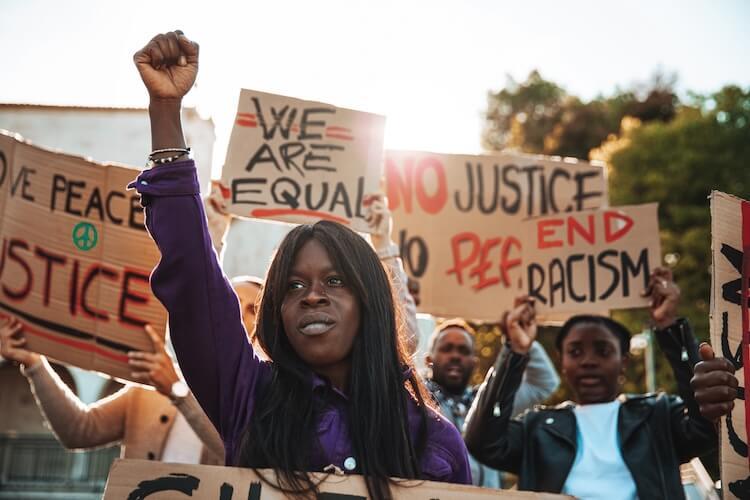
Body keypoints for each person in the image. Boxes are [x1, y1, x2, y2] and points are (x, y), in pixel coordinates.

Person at [130, 30, 470, 498]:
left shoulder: (436, 442)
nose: (312, 295)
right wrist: (165, 110)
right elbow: (194, 279)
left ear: (370, 302)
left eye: (334, 281)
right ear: (276, 310)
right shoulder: (249, 395)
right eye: (292, 286)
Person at [463, 268, 717, 499]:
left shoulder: (658, 416)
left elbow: (704, 427)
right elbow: (481, 441)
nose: (588, 361)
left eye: (603, 351)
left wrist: (669, 327)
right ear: (562, 363)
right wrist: (515, 351)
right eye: (575, 352)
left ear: (623, 362)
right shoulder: (537, 429)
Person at [0, 316, 224, 464]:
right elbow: (79, 430)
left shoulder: (255, 403)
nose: (236, 316)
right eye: (227, 304)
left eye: (250, 308)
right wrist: (34, 364)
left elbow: (242, 457)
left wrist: (178, 393)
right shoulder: (149, 389)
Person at [425, 316, 559, 487]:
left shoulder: (489, 404)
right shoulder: (416, 401)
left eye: (463, 350)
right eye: (447, 348)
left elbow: (544, 383)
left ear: (474, 363)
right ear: (428, 359)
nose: (455, 356)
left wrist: (519, 341)